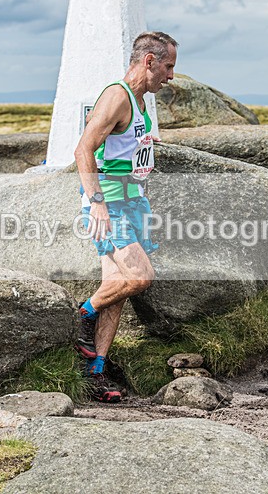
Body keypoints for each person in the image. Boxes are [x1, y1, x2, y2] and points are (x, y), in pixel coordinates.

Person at [73, 31, 178, 402]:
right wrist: (96, 202)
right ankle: (82, 314)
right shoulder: (117, 96)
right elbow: (83, 149)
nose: (171, 76)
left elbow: (123, 143)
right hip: (111, 205)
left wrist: (144, 144)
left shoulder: (140, 101)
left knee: (116, 289)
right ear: (149, 61)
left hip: (134, 203)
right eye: (168, 67)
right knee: (140, 276)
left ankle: (95, 371)